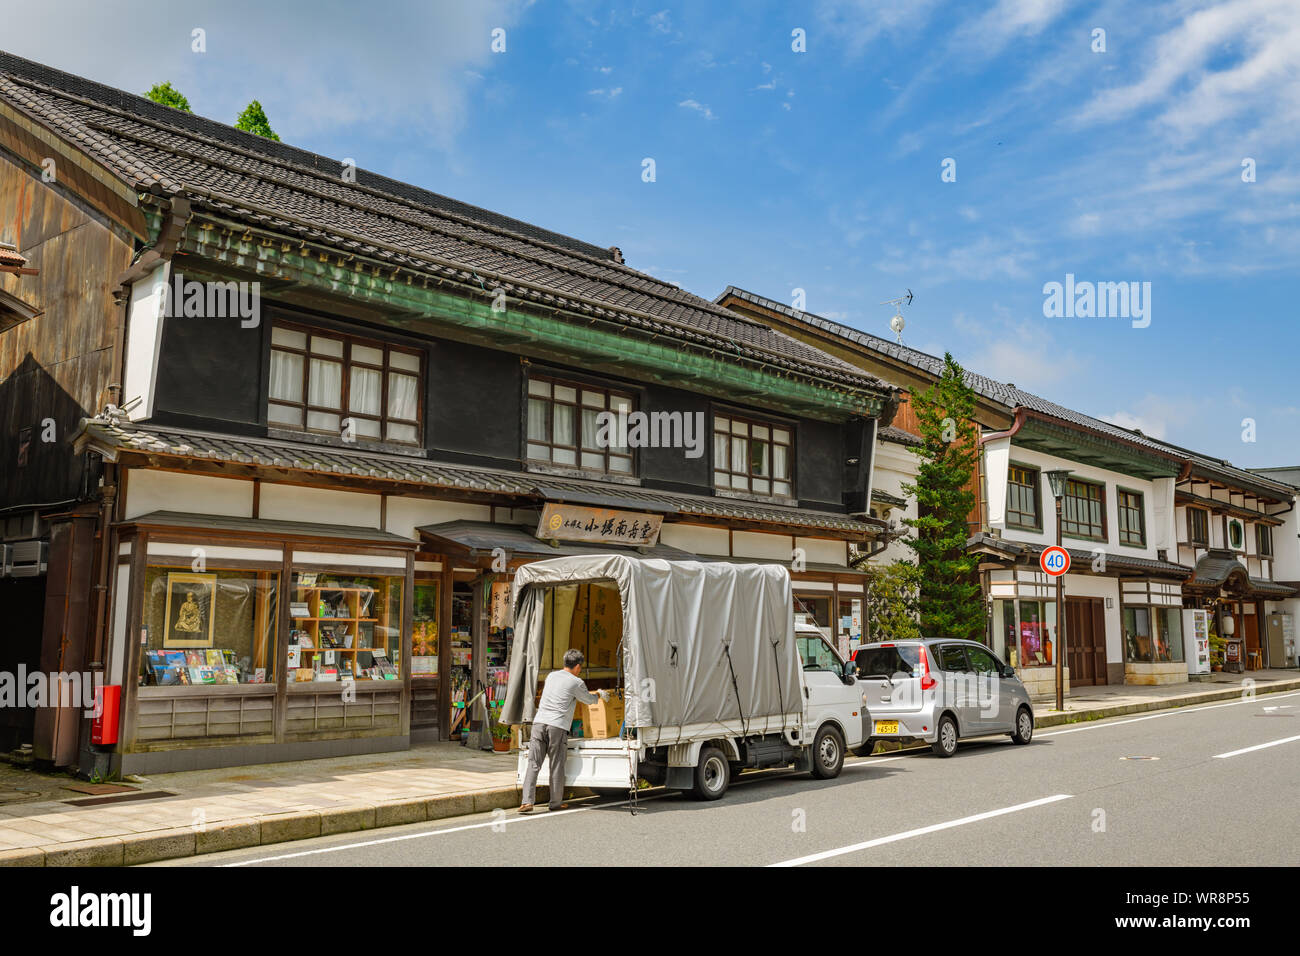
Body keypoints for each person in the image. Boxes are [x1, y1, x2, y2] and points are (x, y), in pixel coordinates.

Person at [519, 648, 607, 813]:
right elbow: (588, 700)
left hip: (538, 723)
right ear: (578, 666)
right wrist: (599, 696)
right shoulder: (576, 682)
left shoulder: (551, 676)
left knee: (533, 763)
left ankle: (527, 802)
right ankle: (555, 803)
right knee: (556, 765)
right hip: (556, 726)